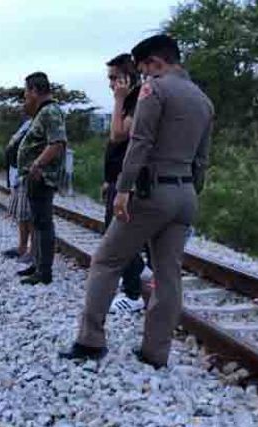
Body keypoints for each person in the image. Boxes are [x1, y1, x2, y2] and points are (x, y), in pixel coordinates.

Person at [60, 34, 214, 368]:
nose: (143, 76)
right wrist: (188, 190)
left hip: (150, 191)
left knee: (106, 261)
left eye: (145, 69)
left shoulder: (154, 90)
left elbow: (139, 142)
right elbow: (202, 159)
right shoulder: (203, 101)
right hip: (185, 194)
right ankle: (155, 353)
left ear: (156, 63)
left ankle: (90, 341)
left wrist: (124, 189)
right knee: (168, 275)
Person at [103, 53, 147, 314]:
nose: (110, 84)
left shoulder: (138, 100)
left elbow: (118, 135)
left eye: (114, 78)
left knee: (117, 235)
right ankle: (138, 271)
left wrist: (119, 100)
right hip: (117, 179)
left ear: (127, 77)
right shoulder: (130, 100)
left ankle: (133, 294)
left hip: (128, 181)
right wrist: (107, 180)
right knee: (114, 232)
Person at [16, 72, 68, 286]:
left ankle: (44, 271)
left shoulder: (50, 112)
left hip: (42, 177)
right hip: (36, 177)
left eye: (27, 92)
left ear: (35, 90)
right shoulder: (41, 113)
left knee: (43, 223)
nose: (25, 97)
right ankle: (37, 264)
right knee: (37, 223)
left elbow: (56, 143)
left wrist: (37, 165)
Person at [3, 118, 35, 263]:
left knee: (30, 214)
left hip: (29, 172)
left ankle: (33, 250)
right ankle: (22, 247)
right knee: (22, 214)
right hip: (18, 172)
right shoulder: (26, 122)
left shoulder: (40, 121)